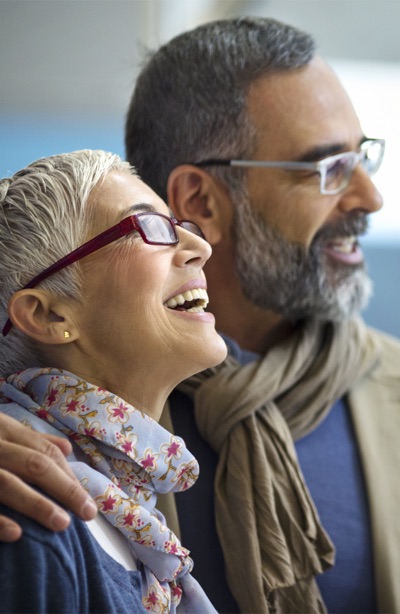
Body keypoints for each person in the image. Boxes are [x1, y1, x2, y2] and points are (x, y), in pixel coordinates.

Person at [1, 15, 400, 614]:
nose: (370, 197)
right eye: (327, 169)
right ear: (200, 200)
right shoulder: (42, 462)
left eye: (362, 156)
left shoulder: (390, 388)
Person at [0, 149, 227, 613]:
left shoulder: (128, 507)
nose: (199, 246)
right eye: (150, 227)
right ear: (49, 314)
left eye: (181, 224)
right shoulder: (26, 507)